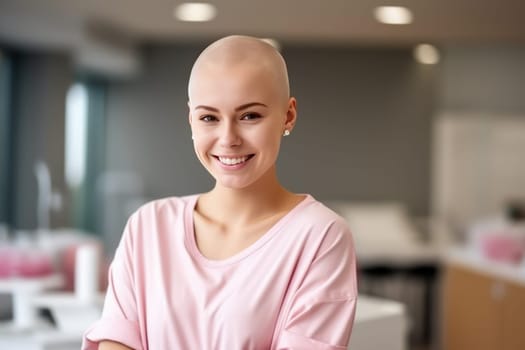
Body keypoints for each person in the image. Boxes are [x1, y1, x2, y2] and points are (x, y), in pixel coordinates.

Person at [82, 35, 357, 350]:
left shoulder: (321, 236)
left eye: (249, 116)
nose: (228, 139)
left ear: (288, 115)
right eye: (209, 118)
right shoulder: (148, 226)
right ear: (191, 121)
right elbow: (115, 342)